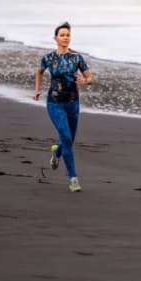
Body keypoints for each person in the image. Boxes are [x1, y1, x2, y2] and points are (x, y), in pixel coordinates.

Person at [33, 21, 93, 192]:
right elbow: (39, 72)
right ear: (55, 38)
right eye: (62, 35)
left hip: (73, 104)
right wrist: (37, 90)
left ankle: (57, 153)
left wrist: (85, 81)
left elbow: (90, 78)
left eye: (68, 35)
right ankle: (73, 178)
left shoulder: (77, 58)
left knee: (69, 140)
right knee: (66, 137)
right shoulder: (48, 58)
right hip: (55, 104)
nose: (66, 38)